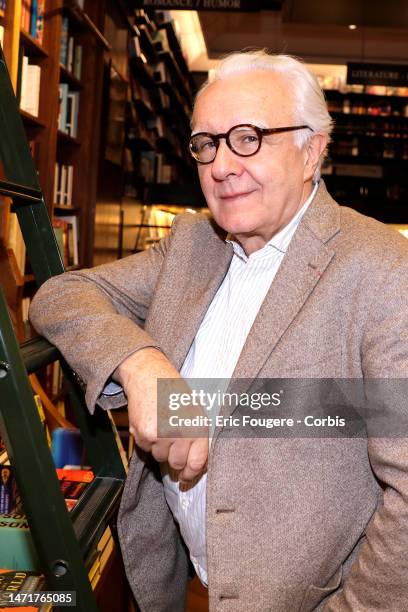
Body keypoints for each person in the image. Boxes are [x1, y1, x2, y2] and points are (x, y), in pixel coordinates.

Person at [29, 51, 408, 611]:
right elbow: (59, 295)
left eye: (248, 137)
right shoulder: (192, 247)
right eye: (207, 143)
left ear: (312, 151)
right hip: (180, 588)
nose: (222, 165)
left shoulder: (382, 270)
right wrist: (144, 365)